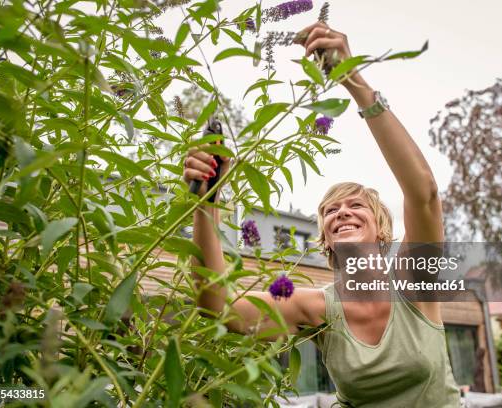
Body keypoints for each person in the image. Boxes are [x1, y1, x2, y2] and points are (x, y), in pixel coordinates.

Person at [183, 21, 460, 408]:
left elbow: (425, 194)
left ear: (381, 228)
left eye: (355, 205)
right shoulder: (317, 307)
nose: (342, 212)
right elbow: (218, 307)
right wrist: (206, 205)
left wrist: (353, 81)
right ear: (326, 238)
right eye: (330, 211)